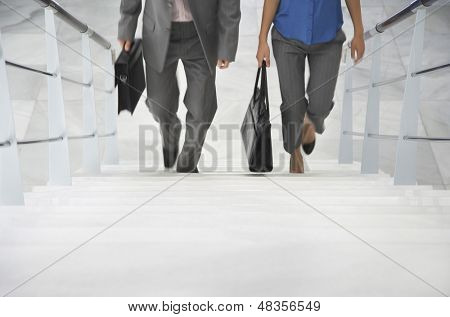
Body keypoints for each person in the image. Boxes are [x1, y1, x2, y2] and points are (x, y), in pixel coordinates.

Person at [118, 0, 241, 173]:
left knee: (202, 108)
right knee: (159, 104)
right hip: (158, 30)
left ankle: (188, 162)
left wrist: (226, 44)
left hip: (201, 33)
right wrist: (126, 26)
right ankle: (169, 129)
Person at [256, 0, 365, 173]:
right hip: (287, 33)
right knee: (293, 103)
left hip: (328, 35)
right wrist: (262, 39)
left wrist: (359, 32)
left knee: (321, 104)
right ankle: (294, 151)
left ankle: (310, 121)